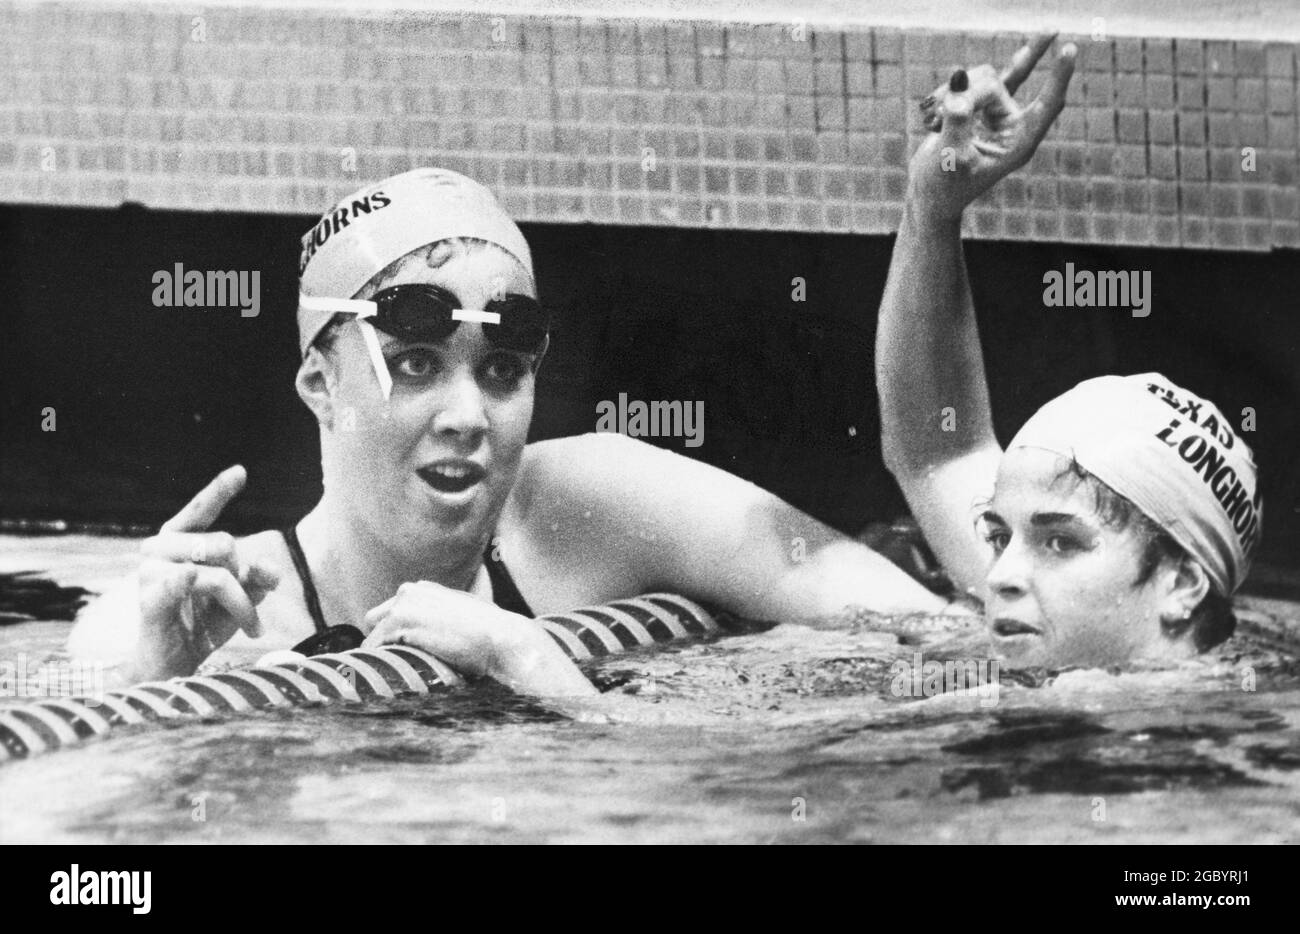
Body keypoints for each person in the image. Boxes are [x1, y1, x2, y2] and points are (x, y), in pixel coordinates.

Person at [69, 167, 950, 697]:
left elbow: (942, 639)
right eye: (415, 364)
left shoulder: (593, 506)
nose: (467, 417)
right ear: (319, 383)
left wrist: (530, 659)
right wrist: (148, 693)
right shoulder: (183, 624)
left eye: (501, 372)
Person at [876, 36, 1263, 669]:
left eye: (1059, 542)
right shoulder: (1049, 649)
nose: (997, 577)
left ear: (1183, 584)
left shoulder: (1248, 743)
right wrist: (932, 203)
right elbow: (938, 451)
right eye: (999, 536)